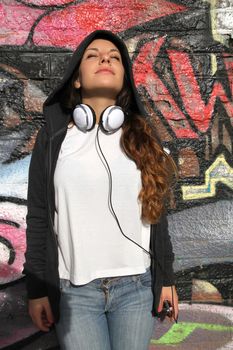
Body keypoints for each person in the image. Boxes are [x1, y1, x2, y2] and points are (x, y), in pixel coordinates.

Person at [24, 29, 179, 350]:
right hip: (74, 293)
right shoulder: (53, 138)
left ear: (124, 80)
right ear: (76, 79)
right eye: (93, 55)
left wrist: (165, 278)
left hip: (136, 289)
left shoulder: (144, 136)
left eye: (114, 57)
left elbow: (157, 214)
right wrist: (37, 287)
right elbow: (38, 215)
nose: (105, 59)